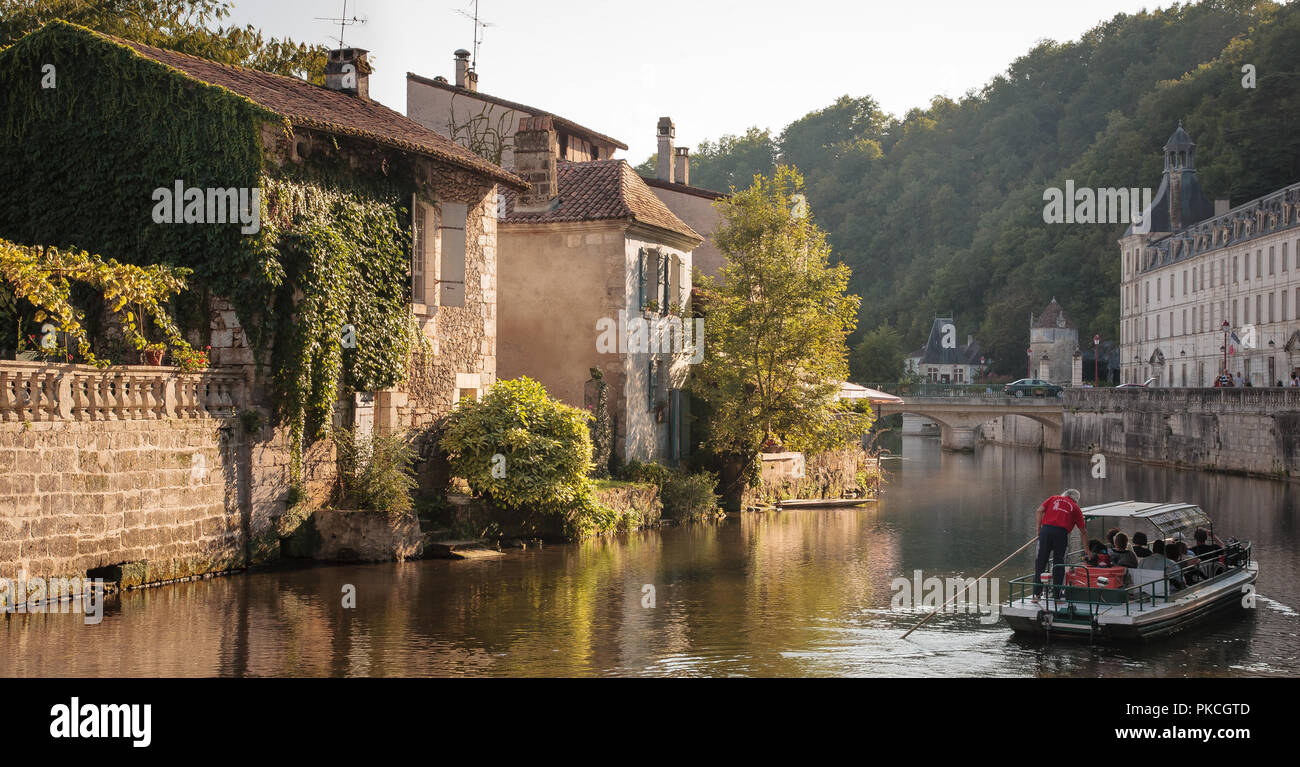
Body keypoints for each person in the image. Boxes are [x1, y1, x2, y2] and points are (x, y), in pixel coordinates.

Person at [1033, 488, 1088, 602]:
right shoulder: (1076, 508)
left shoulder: (1054, 498)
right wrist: (1087, 550)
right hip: (1061, 534)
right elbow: (1083, 531)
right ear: (1076, 500)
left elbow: (1039, 510)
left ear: (1064, 494)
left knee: (1040, 562)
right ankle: (1057, 595)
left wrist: (1038, 530)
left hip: (1046, 531)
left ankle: (1036, 595)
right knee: (1059, 563)